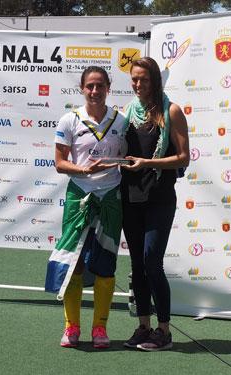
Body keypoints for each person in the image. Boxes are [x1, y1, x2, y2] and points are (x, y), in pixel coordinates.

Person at [45, 66, 126, 349]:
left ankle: (100, 329)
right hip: (79, 196)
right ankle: (72, 326)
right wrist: (82, 169)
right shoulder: (69, 120)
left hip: (110, 197)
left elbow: (129, 158)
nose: (95, 91)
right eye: (90, 86)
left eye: (100, 85)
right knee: (74, 261)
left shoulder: (121, 120)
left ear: (108, 88)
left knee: (106, 262)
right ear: (82, 88)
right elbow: (59, 162)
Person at [121, 57, 190, 352]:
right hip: (130, 195)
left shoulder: (171, 110)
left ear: (155, 81)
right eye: (134, 79)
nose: (138, 85)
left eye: (144, 80)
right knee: (137, 265)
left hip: (160, 196)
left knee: (152, 261)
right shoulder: (127, 111)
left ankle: (164, 331)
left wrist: (147, 163)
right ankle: (143, 327)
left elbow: (184, 157)